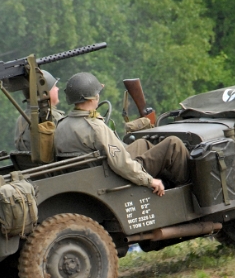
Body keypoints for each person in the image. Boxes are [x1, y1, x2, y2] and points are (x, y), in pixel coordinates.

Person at [54, 72, 190, 197]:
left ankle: (167, 181)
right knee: (173, 145)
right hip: (113, 177)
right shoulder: (96, 127)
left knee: (143, 143)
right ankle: (186, 195)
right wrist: (149, 180)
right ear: (93, 97)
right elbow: (120, 163)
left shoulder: (61, 124)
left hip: (93, 174)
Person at [14, 70, 65, 151]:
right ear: (44, 93)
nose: (57, 89)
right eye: (54, 86)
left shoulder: (21, 119)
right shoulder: (53, 117)